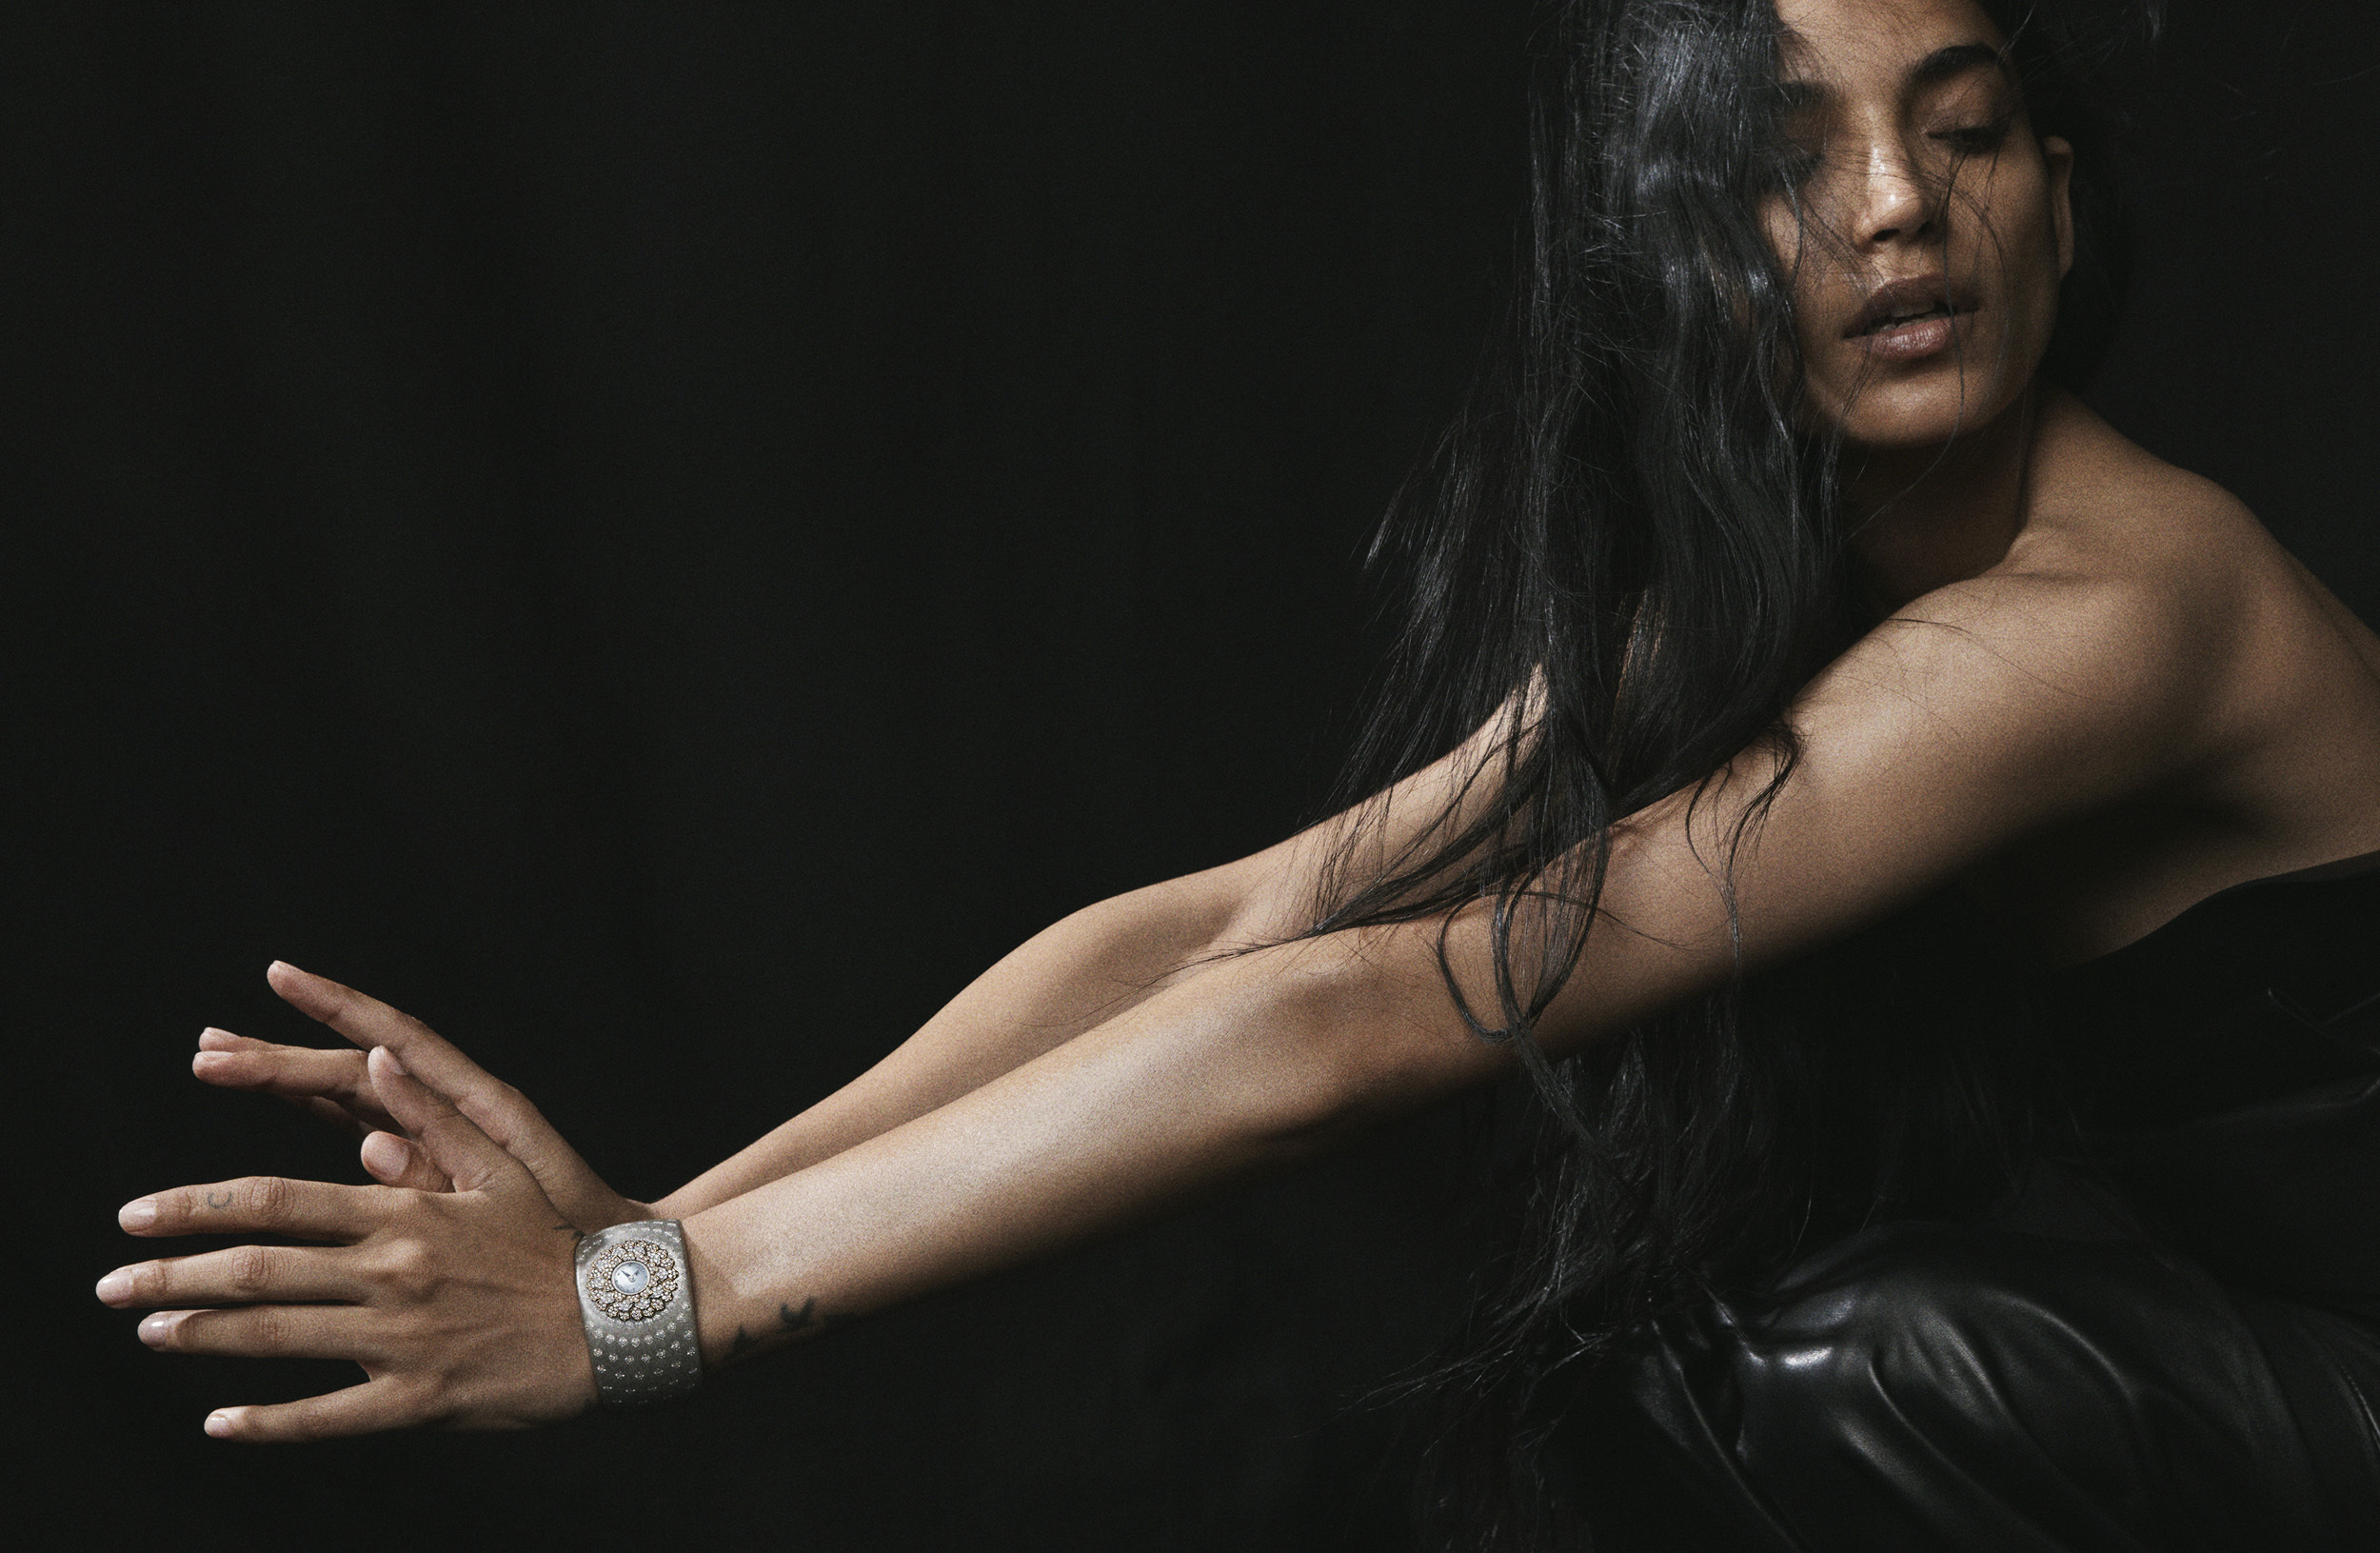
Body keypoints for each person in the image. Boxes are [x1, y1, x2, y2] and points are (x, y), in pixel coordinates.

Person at [95, 0, 2380, 1545]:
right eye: (1788, 163)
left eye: (1961, 130)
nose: (1891, 205)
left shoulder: (2113, 614)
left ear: (2057, 195)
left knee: (1839, 1370)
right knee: (1636, 1380)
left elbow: (1377, 1015)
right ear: (1670, 251)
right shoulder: (1794, 593)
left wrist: (634, 1329)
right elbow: (1251, 923)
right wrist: (651, 1234)